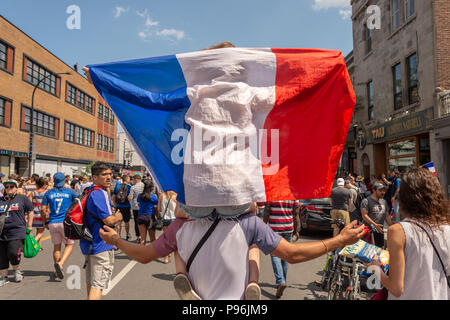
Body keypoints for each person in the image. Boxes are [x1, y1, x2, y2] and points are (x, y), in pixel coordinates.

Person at [100, 203, 365, 300]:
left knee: (180, 250)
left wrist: (117, 242)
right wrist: (338, 240)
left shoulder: (179, 226)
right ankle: (252, 282)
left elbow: (145, 255)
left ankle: (183, 274)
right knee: (253, 249)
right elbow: (292, 254)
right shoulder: (249, 223)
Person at [367, 168, 449, 299]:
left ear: (405, 197)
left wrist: (375, 269)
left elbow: (396, 288)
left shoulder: (398, 231)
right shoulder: (446, 228)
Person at [81, 162, 122, 300]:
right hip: (101, 244)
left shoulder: (89, 191)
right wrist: (118, 217)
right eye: (104, 174)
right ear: (94, 177)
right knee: (98, 286)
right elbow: (108, 220)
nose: (109, 177)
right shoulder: (100, 193)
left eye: (110, 174)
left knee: (91, 282)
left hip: (89, 242)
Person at [41, 172, 77, 280]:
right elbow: (77, 206)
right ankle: (60, 264)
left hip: (53, 222)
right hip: (65, 222)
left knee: (56, 247)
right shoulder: (70, 192)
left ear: (53, 180)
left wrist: (45, 222)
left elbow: (43, 209)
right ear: (65, 181)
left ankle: (57, 270)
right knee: (69, 245)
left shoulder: (48, 193)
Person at [0, 179, 34, 286]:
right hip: (2, 232)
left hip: (17, 230)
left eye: (11, 186)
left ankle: (16, 270)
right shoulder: (1, 200)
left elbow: (31, 210)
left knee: (13, 253)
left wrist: (29, 225)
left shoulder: (22, 198)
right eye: (7, 187)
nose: (9, 188)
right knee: (2, 256)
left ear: (16, 188)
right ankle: (3, 277)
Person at [263, 200, 299, 298]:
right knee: (286, 255)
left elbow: (267, 210)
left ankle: (281, 281)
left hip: (274, 228)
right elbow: (295, 213)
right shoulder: (292, 193)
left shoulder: (272, 191)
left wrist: (263, 226)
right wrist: (296, 230)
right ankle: (283, 280)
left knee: (275, 255)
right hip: (288, 228)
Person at [360, 183, 394, 248]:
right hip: (368, 232)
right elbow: (364, 216)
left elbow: (387, 216)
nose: (383, 192)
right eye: (380, 190)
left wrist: (393, 226)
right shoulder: (366, 201)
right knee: (368, 252)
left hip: (380, 231)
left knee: (380, 250)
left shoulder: (384, 201)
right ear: (374, 190)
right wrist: (375, 225)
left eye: (384, 190)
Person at [136, 179, 159, 246]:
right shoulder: (154, 197)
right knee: (152, 238)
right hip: (150, 217)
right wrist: (157, 217)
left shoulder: (140, 196)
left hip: (141, 216)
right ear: (152, 188)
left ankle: (142, 255)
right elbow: (156, 209)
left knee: (142, 239)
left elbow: (139, 205)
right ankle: (152, 254)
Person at [158, 190, 178, 263]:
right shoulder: (175, 196)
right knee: (173, 238)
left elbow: (159, 209)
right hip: (173, 219)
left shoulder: (161, 195)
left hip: (164, 219)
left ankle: (166, 257)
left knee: (166, 238)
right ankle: (170, 252)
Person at [112, 174, 132, 242]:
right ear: (127, 179)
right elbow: (130, 198)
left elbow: (113, 197)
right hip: (126, 206)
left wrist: (115, 206)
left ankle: (118, 235)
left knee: (119, 222)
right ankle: (127, 234)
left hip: (118, 206)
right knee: (127, 222)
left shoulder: (117, 186)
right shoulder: (129, 187)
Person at [30, 177, 48, 247]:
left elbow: (29, 203)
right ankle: (32, 243)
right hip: (42, 214)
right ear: (44, 184)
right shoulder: (46, 193)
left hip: (34, 213)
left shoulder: (33, 192)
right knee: (40, 232)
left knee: (38, 230)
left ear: (36, 184)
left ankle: (38, 246)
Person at [128, 174, 144, 243]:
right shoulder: (144, 186)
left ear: (136, 179)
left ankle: (138, 236)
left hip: (135, 206)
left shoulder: (133, 187)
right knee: (143, 222)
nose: (132, 181)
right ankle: (143, 237)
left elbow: (130, 198)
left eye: (133, 180)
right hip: (144, 206)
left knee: (137, 222)